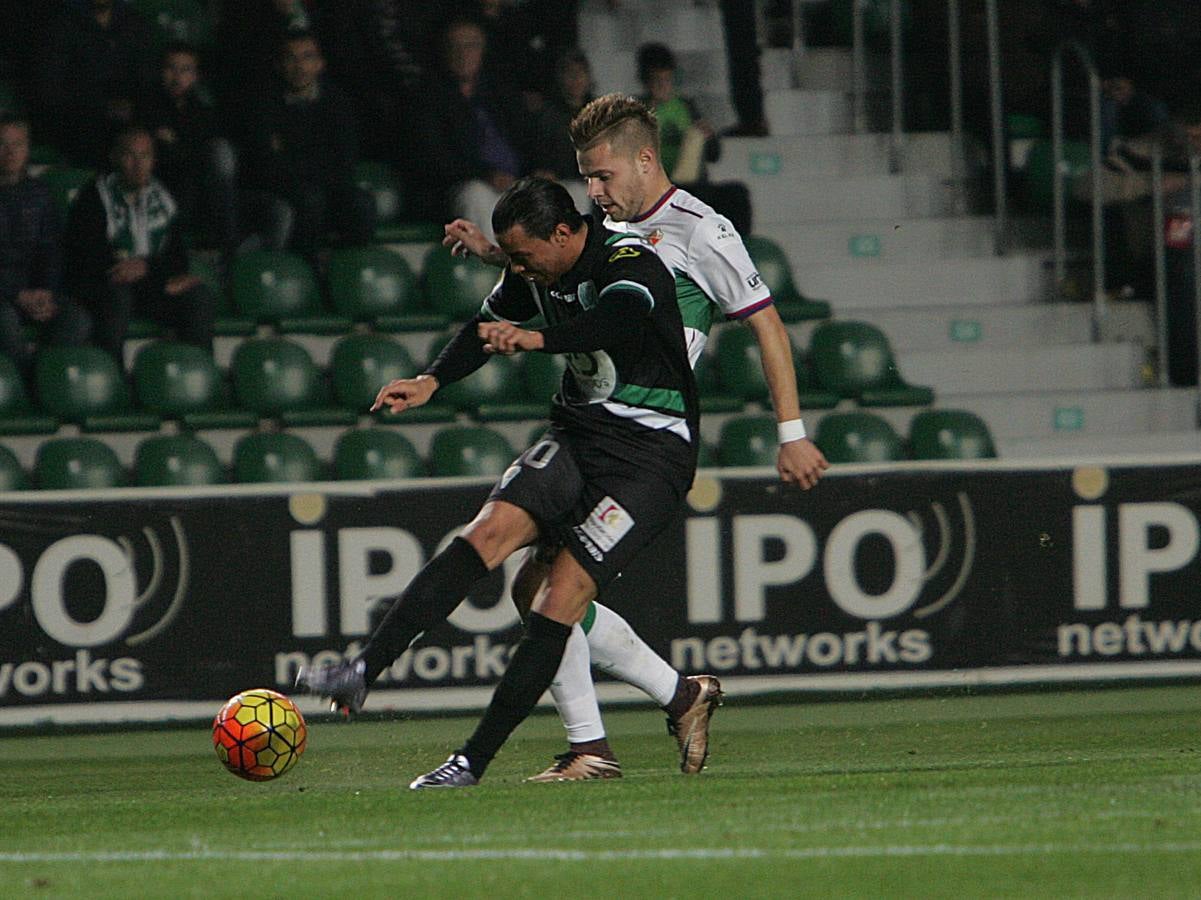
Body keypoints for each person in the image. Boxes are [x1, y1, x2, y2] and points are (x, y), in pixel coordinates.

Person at [442, 93, 827, 782]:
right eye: (585, 178)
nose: (591, 191)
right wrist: (497, 256)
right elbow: (556, 271)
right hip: (594, 425)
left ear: (644, 160)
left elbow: (765, 324)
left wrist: (791, 433)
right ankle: (668, 703)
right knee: (537, 590)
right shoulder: (601, 228)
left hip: (639, 439)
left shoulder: (701, 231)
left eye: (601, 177)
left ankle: (598, 744)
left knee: (547, 590)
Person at [298, 176, 705, 790]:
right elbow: (484, 327)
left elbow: (617, 325)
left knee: (558, 596)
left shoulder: (629, 261)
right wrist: (432, 381)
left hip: (650, 456)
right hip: (579, 433)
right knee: (485, 534)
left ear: (564, 233)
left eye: (521, 255)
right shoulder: (536, 273)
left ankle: (473, 761)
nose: (514, 267)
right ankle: (361, 670)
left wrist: (538, 339)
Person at [64, 126, 214, 366]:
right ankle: (112, 376)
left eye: (145, 156)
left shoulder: (161, 196)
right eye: (130, 155)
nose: (139, 164)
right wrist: (143, 272)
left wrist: (147, 268)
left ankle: (201, 373)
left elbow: (177, 259)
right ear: (114, 158)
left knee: (198, 295)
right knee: (117, 296)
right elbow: (90, 259)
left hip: (151, 286)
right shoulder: (93, 197)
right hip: (108, 288)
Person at [238, 30, 375, 261]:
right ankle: (308, 271)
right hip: (287, 190)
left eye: (307, 57)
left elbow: (344, 159)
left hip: (329, 186)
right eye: (291, 58)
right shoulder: (263, 104)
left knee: (361, 203)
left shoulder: (337, 103)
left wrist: (293, 152)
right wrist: (312, 161)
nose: (299, 66)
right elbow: (266, 164)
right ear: (280, 64)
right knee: (310, 200)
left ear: (320, 64)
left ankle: (349, 269)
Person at [0, 116, 91, 383]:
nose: (11, 152)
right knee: (4, 321)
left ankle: (46, 379)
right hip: (5, 295)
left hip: (34, 291)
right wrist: (17, 294)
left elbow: (51, 250)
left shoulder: (40, 194)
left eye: (18, 144)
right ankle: (25, 387)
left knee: (77, 319)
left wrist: (46, 292)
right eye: (3, 144)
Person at [424, 17, 528, 242]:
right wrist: (486, 175)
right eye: (455, 46)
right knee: (478, 196)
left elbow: (527, 141)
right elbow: (436, 159)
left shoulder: (500, 93)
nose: (463, 54)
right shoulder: (429, 98)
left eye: (471, 45)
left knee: (566, 192)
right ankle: (497, 272)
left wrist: (541, 169)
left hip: (515, 181)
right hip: (465, 185)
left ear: (482, 50)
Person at [635, 44, 752, 237]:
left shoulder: (686, 107)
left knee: (737, 194)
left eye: (667, 80)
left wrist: (709, 137)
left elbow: (714, 155)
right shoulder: (637, 112)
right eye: (657, 81)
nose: (663, 86)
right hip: (660, 189)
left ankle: (738, 246)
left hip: (694, 185)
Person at [33, 0, 157, 168]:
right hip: (79, 121)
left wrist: (133, 108)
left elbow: (146, 80)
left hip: (129, 119)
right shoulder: (62, 24)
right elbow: (50, 89)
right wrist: (102, 106)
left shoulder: (133, 23)